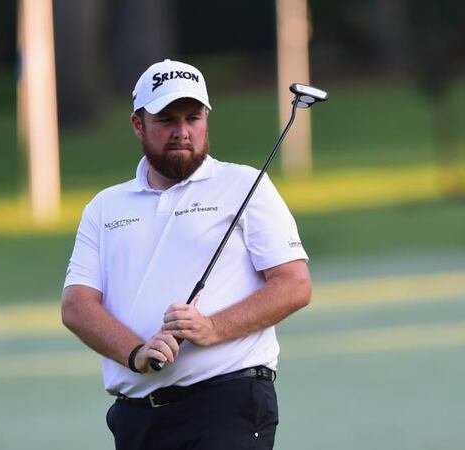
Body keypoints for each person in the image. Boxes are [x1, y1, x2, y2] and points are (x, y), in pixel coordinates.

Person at [61, 59, 312, 450]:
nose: (182, 132)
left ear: (206, 120)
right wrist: (136, 352)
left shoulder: (246, 185)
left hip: (227, 405)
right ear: (137, 125)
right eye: (166, 120)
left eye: (192, 118)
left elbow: (294, 285)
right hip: (137, 418)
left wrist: (213, 327)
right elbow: (77, 305)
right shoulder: (104, 207)